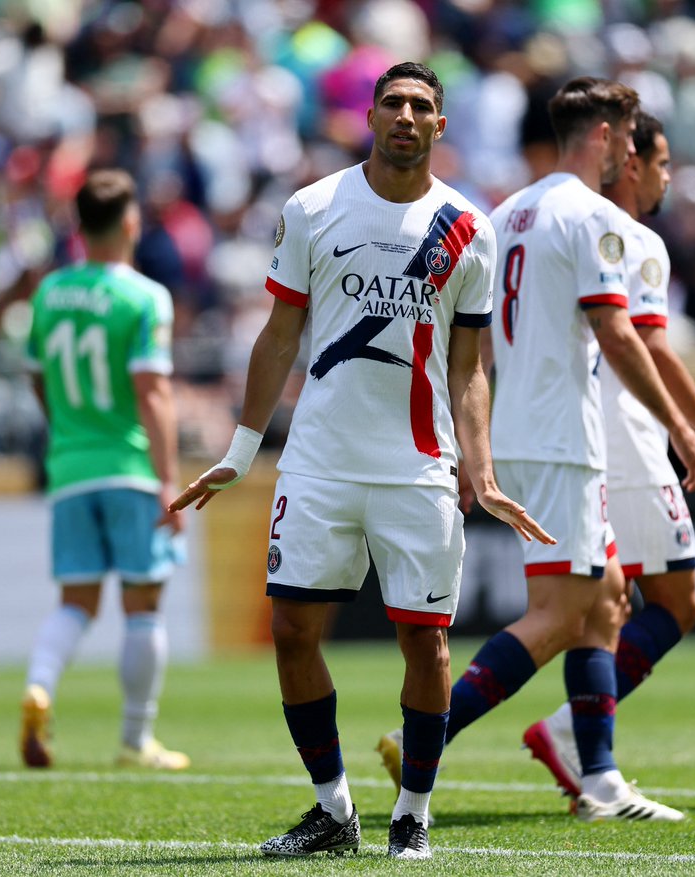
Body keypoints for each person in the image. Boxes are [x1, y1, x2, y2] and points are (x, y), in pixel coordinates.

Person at [170, 62, 552, 859]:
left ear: (441, 125)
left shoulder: (466, 228)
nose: (407, 116)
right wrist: (243, 450)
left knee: (427, 645)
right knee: (292, 630)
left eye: (422, 106)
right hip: (319, 462)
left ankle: (412, 810)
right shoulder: (313, 207)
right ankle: (333, 808)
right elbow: (279, 335)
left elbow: (470, 365)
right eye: (394, 103)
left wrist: (479, 468)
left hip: (418, 465)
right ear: (370, 115)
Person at [380, 78, 695, 823]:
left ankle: (599, 779)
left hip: (524, 432)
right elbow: (617, 332)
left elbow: (472, 347)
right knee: (560, 613)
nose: (629, 156)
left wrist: (475, 447)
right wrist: (684, 429)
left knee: (605, 601)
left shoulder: (507, 212)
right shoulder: (592, 216)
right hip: (564, 437)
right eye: (627, 142)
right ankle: (422, 735)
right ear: (601, 137)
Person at [520, 111, 695, 800]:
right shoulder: (635, 240)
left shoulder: (549, 219)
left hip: (574, 430)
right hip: (626, 435)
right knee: (673, 600)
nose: (663, 176)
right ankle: (570, 733)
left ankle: (585, 747)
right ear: (630, 162)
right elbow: (650, 348)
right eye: (657, 162)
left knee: (607, 602)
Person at [20, 168, 189, 771]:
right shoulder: (144, 297)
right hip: (129, 466)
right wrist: (169, 480)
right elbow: (154, 393)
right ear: (130, 223)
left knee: (75, 602)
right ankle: (136, 740)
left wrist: (67, 433)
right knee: (143, 605)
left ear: (76, 225)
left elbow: (37, 376)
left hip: (69, 468)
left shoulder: (48, 293)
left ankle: (39, 686)